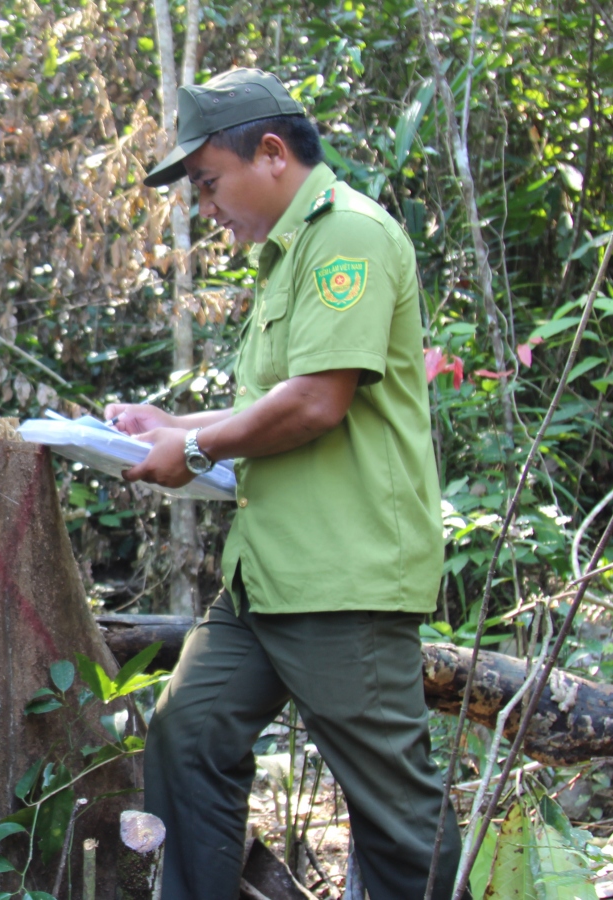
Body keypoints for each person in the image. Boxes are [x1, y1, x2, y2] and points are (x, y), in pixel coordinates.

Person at [112, 69, 460, 899]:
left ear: (270, 154)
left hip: (343, 577)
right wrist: (171, 427)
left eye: (206, 183)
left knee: (395, 816)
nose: (204, 207)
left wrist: (190, 454)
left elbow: (315, 403)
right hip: (264, 577)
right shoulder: (285, 258)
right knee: (188, 735)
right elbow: (271, 411)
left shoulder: (349, 237)